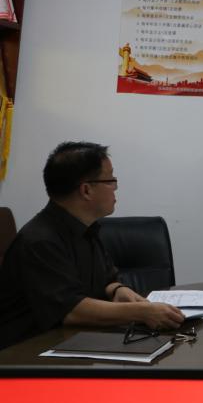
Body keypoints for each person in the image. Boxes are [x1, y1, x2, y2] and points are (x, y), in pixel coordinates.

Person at [0, 142, 184, 351]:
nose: (116, 187)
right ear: (86, 190)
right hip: (26, 353)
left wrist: (118, 289)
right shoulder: (40, 241)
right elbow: (71, 310)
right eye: (111, 180)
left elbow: (105, 280)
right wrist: (142, 312)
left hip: (73, 342)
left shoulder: (86, 228)